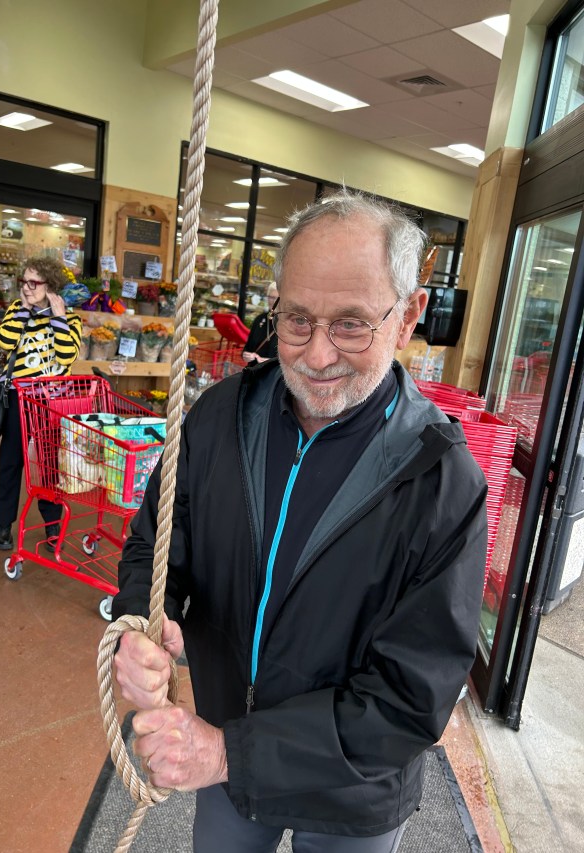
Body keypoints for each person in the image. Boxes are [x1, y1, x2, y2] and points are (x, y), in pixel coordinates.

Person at [112, 191, 488, 853]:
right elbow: (156, 542)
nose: (316, 356)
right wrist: (145, 616)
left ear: (408, 317)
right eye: (296, 320)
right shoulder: (220, 418)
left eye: (351, 325)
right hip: (230, 766)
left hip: (354, 794)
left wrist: (228, 753)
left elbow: (411, 696)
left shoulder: (443, 483)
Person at [0, 257, 82, 552]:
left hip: (52, 402)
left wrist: (58, 318)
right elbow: (4, 342)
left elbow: (67, 356)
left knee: (50, 464)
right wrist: (23, 311)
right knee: (10, 461)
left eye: (34, 283)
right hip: (19, 398)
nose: (27, 288)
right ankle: (2, 524)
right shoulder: (17, 310)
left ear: (50, 286)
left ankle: (52, 524)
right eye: (25, 282)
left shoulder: (71, 319)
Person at [242, 282, 279, 363]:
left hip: (273, 371)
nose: (273, 301)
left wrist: (271, 362)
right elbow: (248, 347)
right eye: (270, 297)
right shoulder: (259, 319)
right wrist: (246, 355)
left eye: (277, 298)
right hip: (255, 368)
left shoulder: (288, 323)